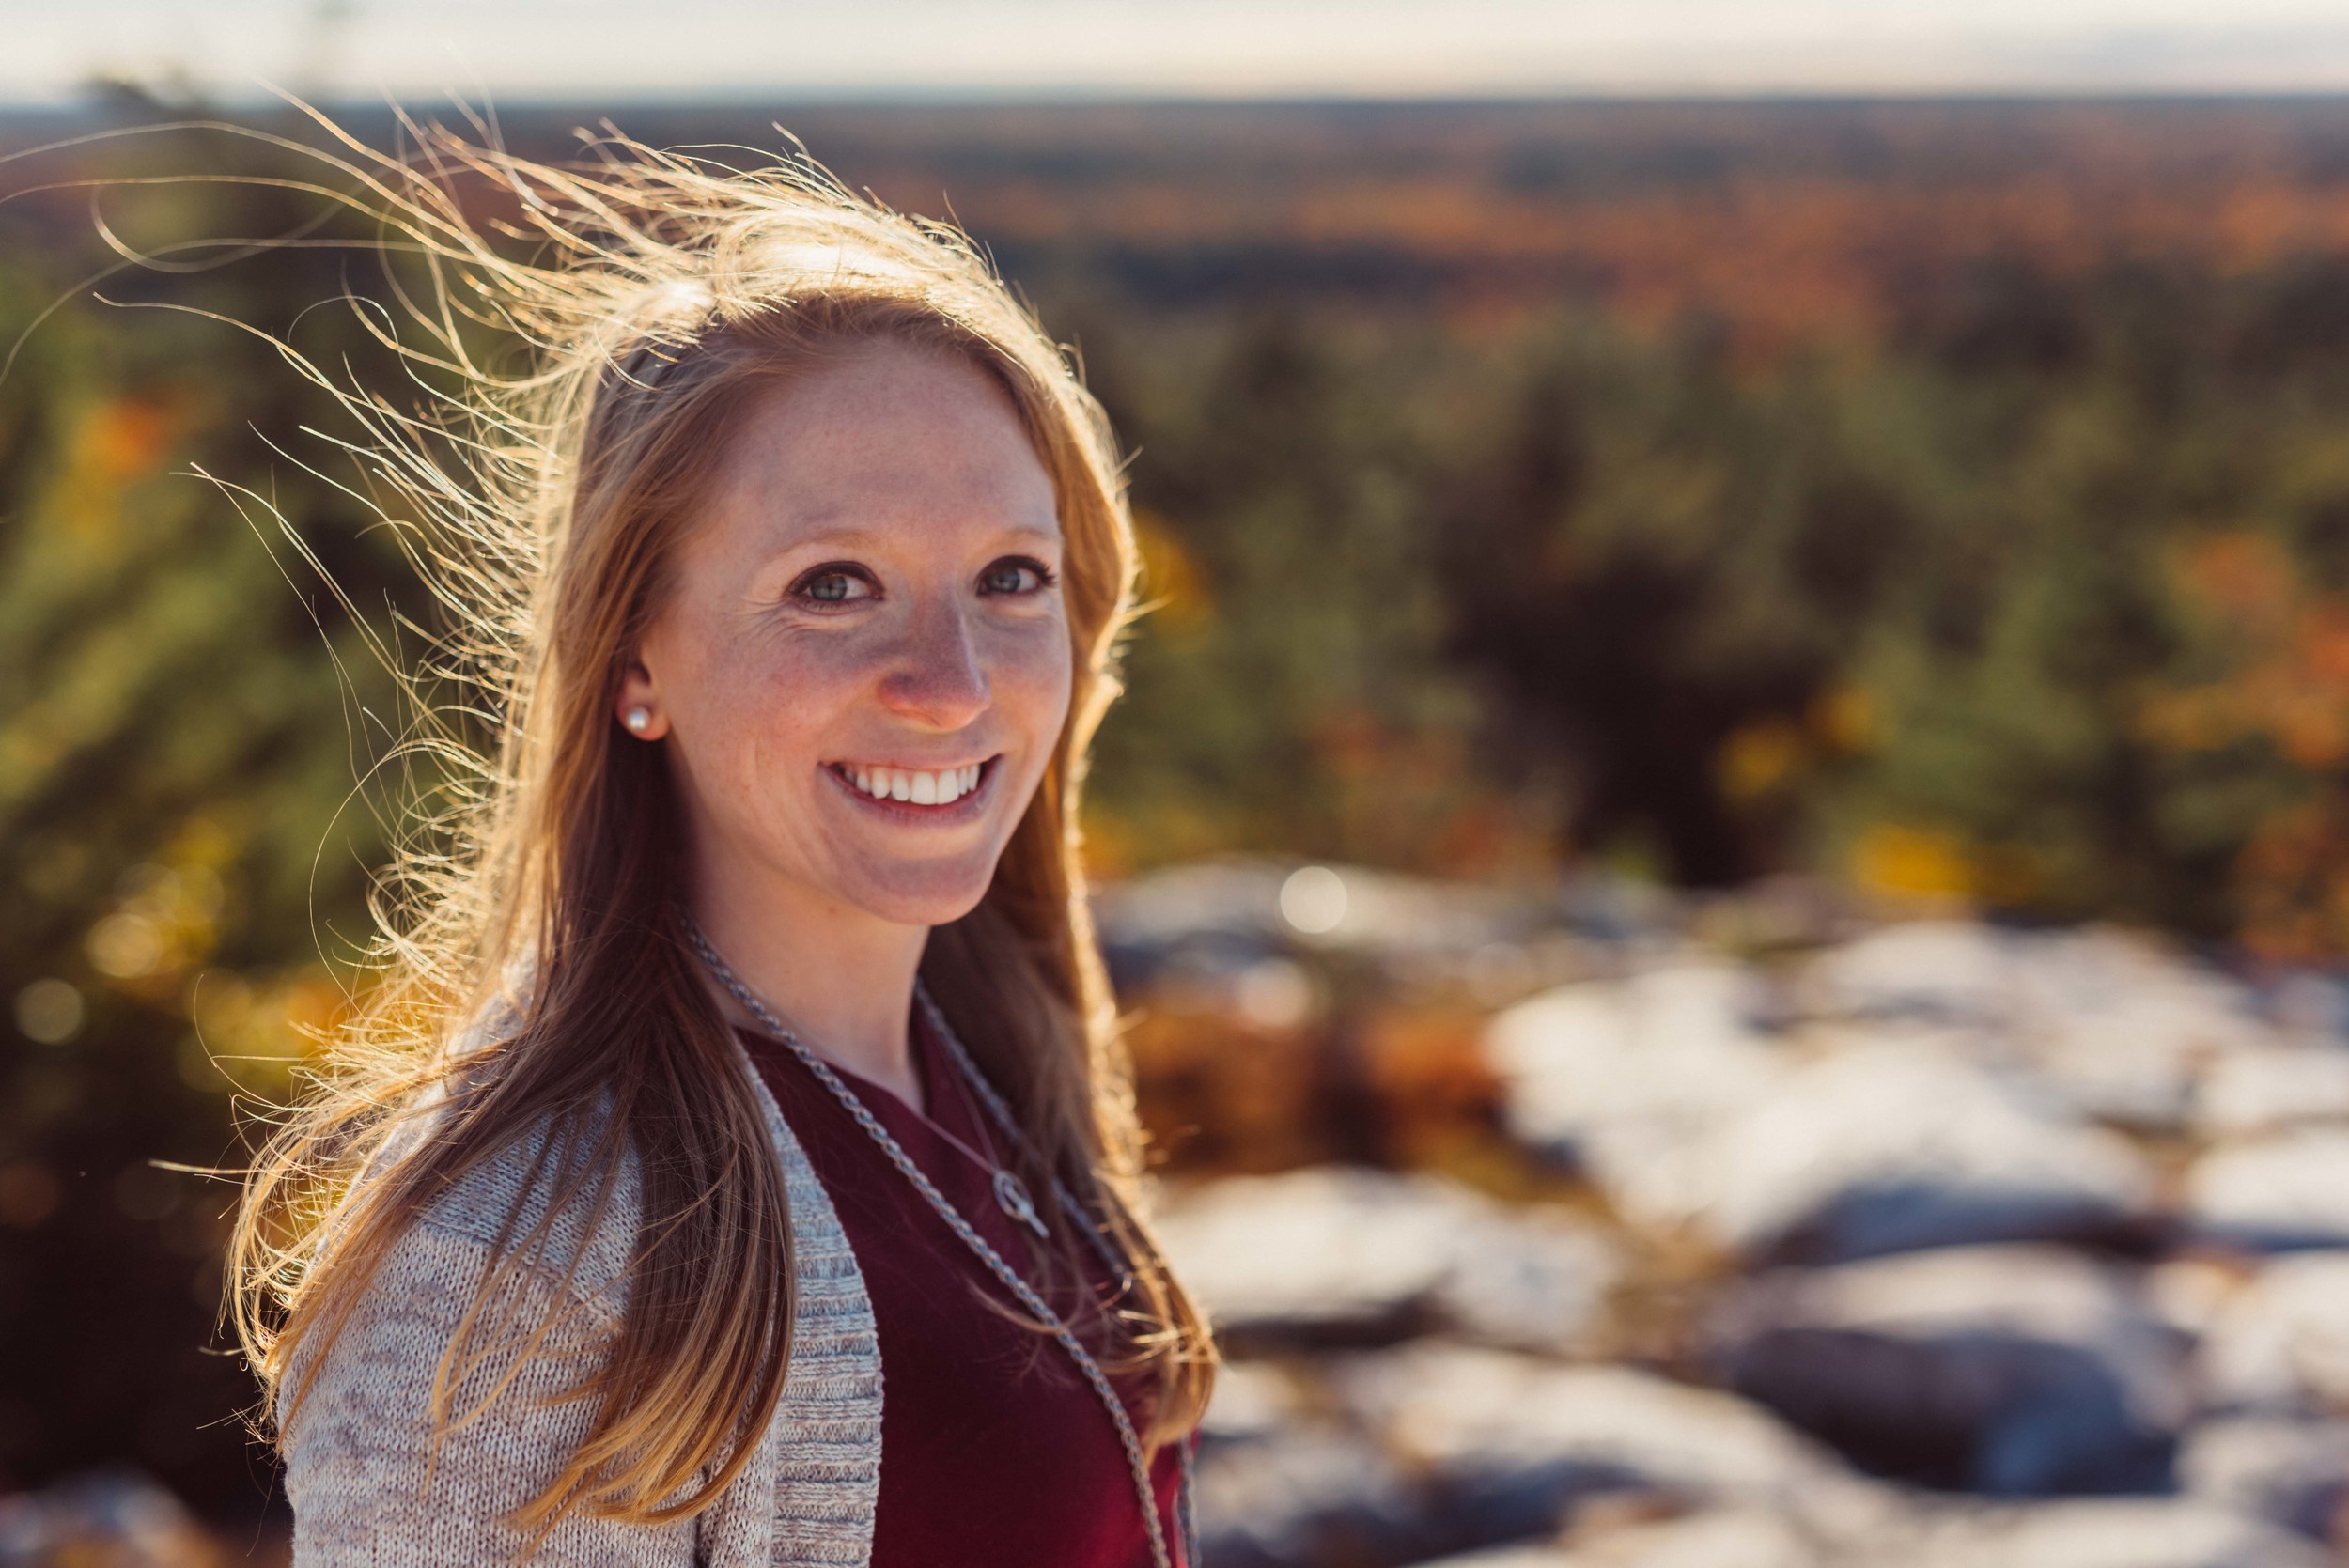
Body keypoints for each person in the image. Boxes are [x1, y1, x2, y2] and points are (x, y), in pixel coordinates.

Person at [225, 119, 1218, 1567]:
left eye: (1011, 575)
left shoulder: (1002, 1055)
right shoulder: (510, 1259)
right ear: (634, 660)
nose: (950, 680)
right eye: (832, 585)